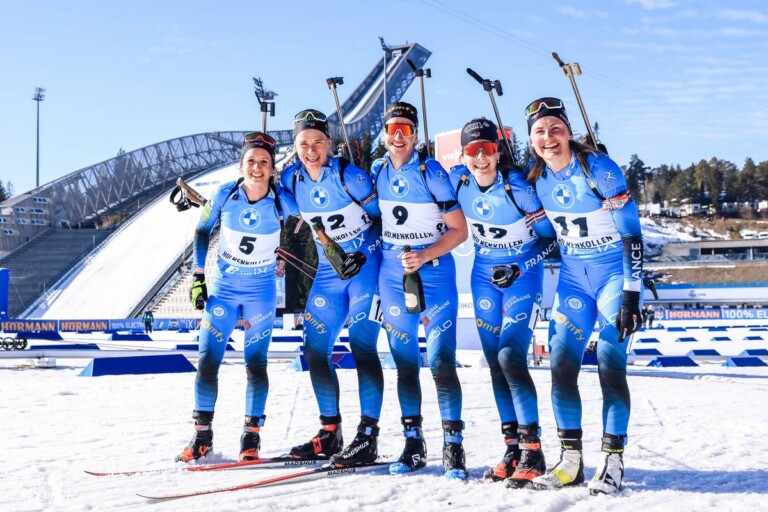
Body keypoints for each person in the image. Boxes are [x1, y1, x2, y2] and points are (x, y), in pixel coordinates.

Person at [523, 98, 644, 495]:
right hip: (574, 281)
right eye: (540, 132)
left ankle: (612, 461)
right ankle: (570, 461)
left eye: (555, 128)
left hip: (613, 277)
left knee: (610, 364)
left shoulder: (598, 169)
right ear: (531, 140)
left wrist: (631, 296)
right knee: (561, 368)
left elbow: (632, 235)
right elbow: (549, 238)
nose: (548, 137)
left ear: (568, 132)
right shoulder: (537, 179)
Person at [449, 118, 557, 487]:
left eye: (488, 149)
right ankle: (512, 448)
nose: (480, 157)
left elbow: (549, 238)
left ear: (498, 152)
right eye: (473, 150)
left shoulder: (517, 188)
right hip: (483, 276)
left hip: (521, 276)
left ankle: (533, 450)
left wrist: (519, 266)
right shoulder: (459, 182)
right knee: (496, 363)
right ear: (463, 155)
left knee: (511, 356)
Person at [279, 109, 385, 466]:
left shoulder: (349, 176)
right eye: (304, 144)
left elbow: (382, 219)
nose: (311, 150)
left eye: (318, 142)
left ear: (329, 143)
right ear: (296, 147)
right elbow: (274, 204)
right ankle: (329, 433)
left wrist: (363, 253)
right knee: (314, 350)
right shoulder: (292, 178)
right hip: (328, 275)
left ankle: (367, 437)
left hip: (364, 270)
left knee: (362, 346)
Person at [372, 102, 469, 479]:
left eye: (406, 130)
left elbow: (459, 230)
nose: (398, 136)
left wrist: (426, 254)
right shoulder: (378, 171)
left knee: (442, 362)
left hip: (435, 273)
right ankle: (413, 444)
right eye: (392, 129)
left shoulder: (431, 173)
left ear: (415, 135)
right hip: (392, 275)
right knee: (405, 363)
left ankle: (453, 447)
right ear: (384, 134)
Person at [177, 132, 286, 463]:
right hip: (224, 290)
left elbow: (315, 216)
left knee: (256, 364)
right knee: (207, 362)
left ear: (272, 168)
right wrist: (198, 276)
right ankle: (202, 438)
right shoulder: (224, 194)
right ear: (242, 164)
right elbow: (201, 231)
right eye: (251, 161)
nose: (257, 167)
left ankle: (251, 440)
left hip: (261, 293)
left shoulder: (282, 200)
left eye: (264, 162)